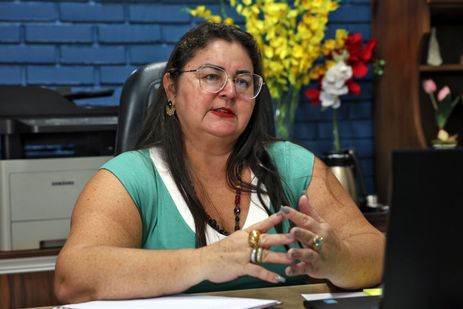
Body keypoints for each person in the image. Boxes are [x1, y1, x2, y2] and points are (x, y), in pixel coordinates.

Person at [54, 22, 384, 303]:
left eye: (243, 81)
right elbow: (74, 278)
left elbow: (380, 253)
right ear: (171, 87)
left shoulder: (294, 166)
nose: (229, 92)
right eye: (211, 77)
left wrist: (337, 260)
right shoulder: (130, 178)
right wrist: (208, 262)